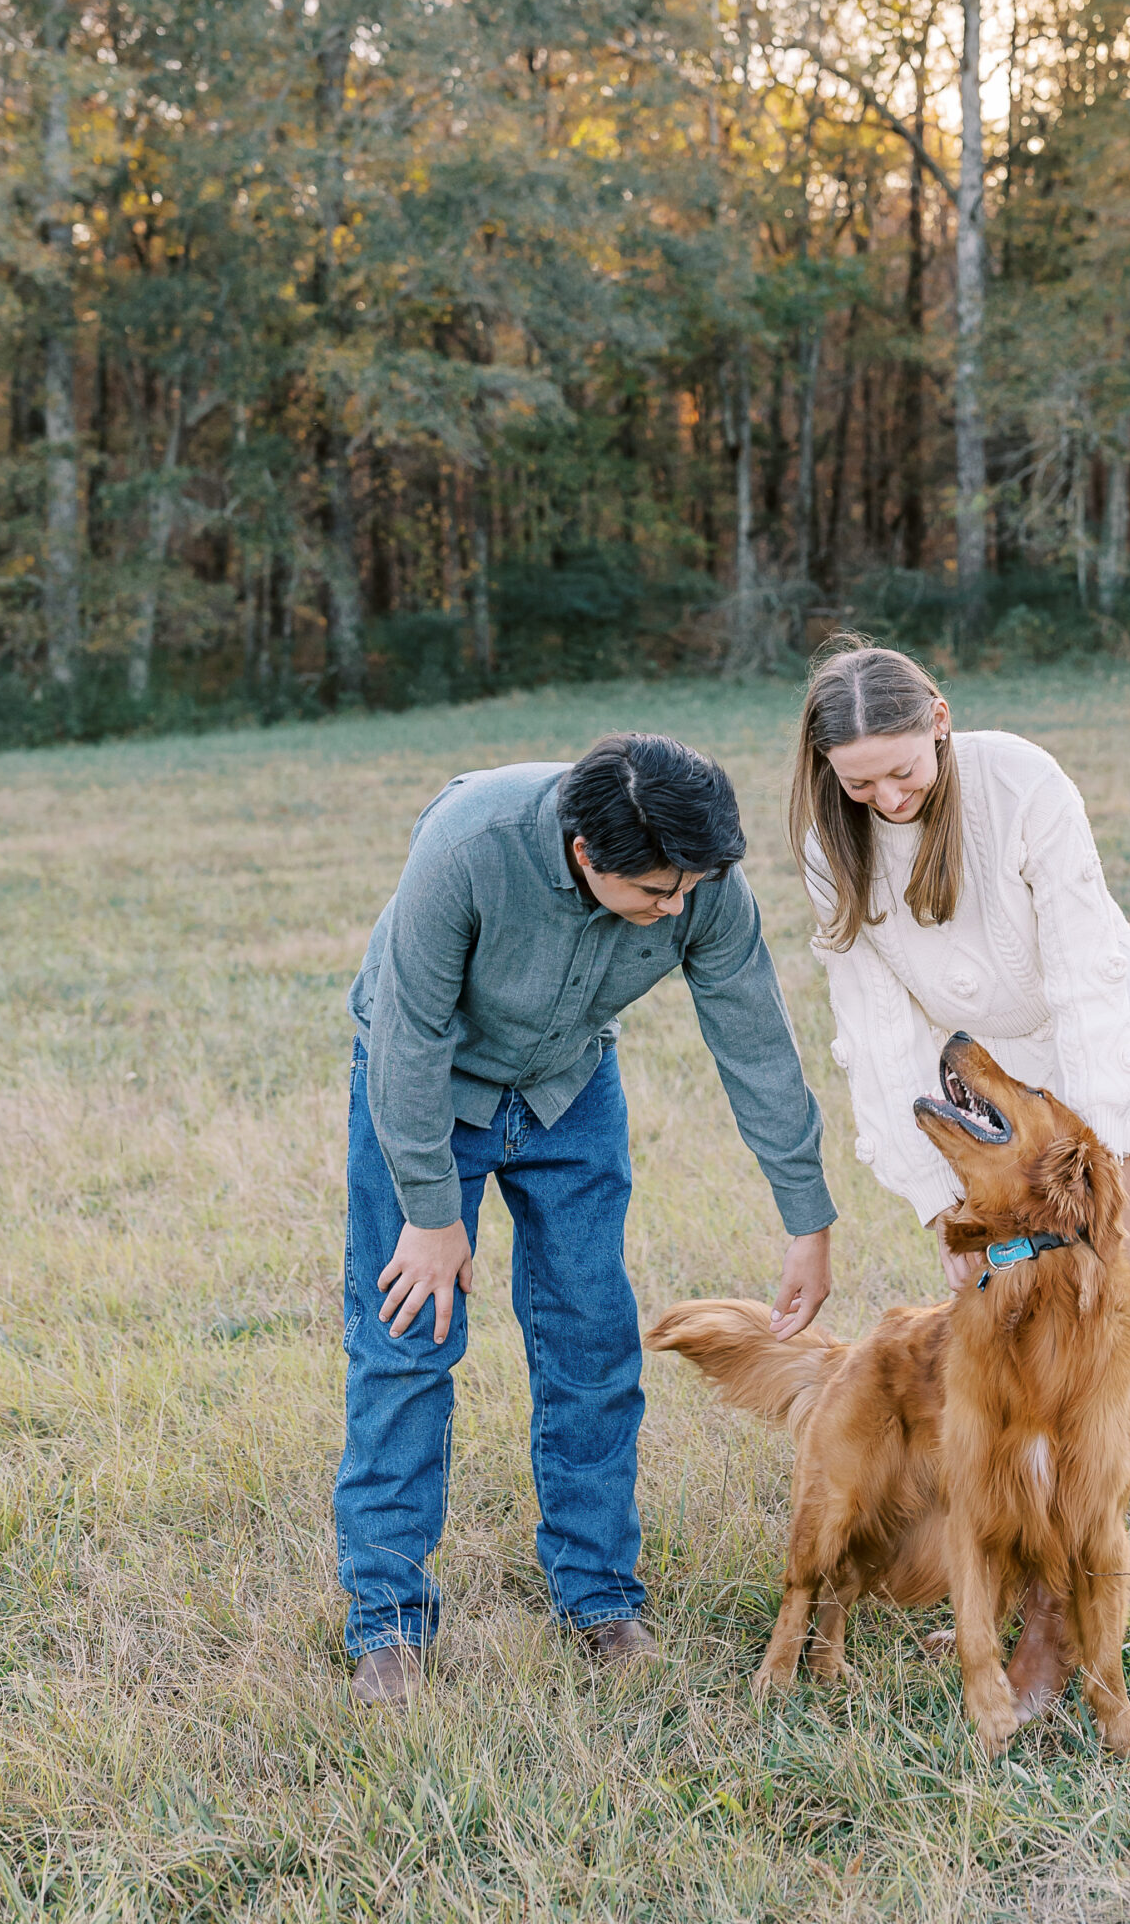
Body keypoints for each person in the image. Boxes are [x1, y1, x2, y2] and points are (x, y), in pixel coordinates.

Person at [337, 731, 837, 1706]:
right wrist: (434, 1215)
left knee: (593, 1339)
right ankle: (387, 1621)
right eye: (655, 893)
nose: (676, 910)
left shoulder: (696, 878)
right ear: (584, 855)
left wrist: (805, 1214)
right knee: (409, 1339)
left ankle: (599, 1597)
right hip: (429, 1091)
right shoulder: (467, 848)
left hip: (569, 1088)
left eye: (689, 889)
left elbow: (757, 1041)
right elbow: (405, 1038)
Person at [789, 640, 1130, 1715]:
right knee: (996, 1354)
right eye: (858, 780)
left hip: (1090, 1071)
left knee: (1085, 1346)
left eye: (903, 770)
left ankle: (1049, 1635)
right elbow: (876, 1034)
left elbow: (1083, 976)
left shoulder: (1023, 781)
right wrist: (948, 1206)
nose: (886, 796)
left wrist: (1097, 1188)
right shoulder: (828, 840)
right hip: (977, 1094)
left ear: (940, 716)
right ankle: (1005, 1575)